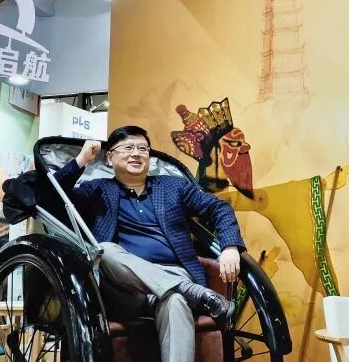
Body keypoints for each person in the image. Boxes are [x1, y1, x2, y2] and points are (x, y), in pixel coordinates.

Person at [54, 125, 244, 362]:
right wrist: (81, 160)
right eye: (127, 148)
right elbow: (51, 199)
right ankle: (191, 291)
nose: (136, 153)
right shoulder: (97, 189)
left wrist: (230, 247)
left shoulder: (173, 187)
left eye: (142, 148)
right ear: (110, 158)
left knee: (175, 301)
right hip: (124, 289)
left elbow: (219, 208)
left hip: (174, 273)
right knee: (105, 250)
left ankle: (183, 290)